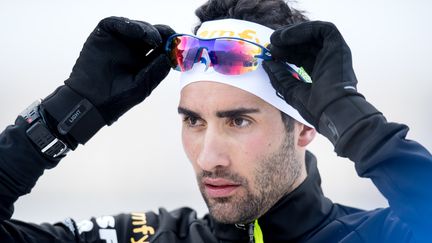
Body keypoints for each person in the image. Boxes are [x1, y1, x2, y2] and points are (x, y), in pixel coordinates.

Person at [0, 0, 431, 242]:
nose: (208, 157)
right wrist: (62, 117)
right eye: (193, 121)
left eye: (238, 121)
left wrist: (356, 123)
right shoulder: (151, 238)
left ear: (305, 126)